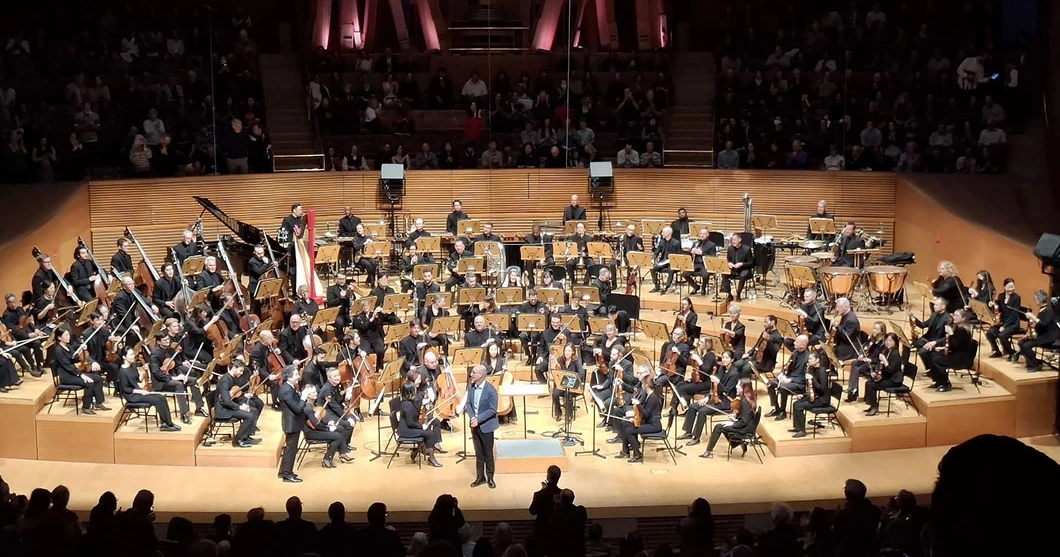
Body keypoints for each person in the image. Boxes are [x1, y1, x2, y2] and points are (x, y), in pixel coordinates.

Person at [677, 350, 740, 445]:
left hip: (725, 402)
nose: (724, 360)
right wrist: (707, 397)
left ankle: (696, 438)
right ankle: (688, 432)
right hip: (714, 397)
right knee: (693, 407)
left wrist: (718, 382)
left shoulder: (734, 374)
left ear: (732, 360)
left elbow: (726, 391)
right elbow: (713, 386)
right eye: (723, 357)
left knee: (702, 411)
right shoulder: (721, 369)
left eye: (727, 358)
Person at [116, 348, 180, 431]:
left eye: (133, 354)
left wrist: (144, 371)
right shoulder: (122, 372)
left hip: (139, 392)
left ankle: (167, 423)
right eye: (131, 355)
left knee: (161, 397)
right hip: (132, 396)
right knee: (157, 400)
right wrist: (141, 391)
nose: (133, 356)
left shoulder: (132, 366)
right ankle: (167, 424)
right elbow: (126, 389)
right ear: (124, 357)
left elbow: (139, 380)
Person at [52, 327, 108, 414]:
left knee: (98, 378)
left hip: (74, 373)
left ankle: (98, 402)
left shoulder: (69, 347)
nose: (68, 337)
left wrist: (83, 351)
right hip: (67, 376)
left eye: (68, 335)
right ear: (59, 338)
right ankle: (86, 407)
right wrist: (81, 375)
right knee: (89, 382)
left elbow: (75, 359)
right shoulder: (58, 350)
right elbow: (68, 366)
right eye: (66, 335)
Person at [700, 382, 757, 458]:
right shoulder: (748, 399)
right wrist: (735, 416)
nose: (737, 387)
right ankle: (739, 442)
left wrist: (732, 423)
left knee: (719, 427)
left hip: (745, 428)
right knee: (723, 426)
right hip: (746, 425)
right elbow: (745, 416)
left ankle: (709, 451)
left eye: (739, 386)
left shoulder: (745, 402)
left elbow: (744, 421)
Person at [615, 372, 662, 462]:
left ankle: (638, 454)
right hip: (648, 422)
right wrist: (634, 418)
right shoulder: (649, 395)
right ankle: (626, 451)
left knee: (629, 431)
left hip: (654, 425)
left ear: (646, 385)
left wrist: (638, 404)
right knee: (625, 423)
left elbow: (646, 414)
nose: (642, 385)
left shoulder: (653, 398)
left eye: (643, 384)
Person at [395, 381, 443, 467]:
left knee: (428, 430)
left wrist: (424, 401)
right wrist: (421, 426)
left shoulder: (408, 402)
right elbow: (410, 423)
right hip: (406, 430)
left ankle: (417, 450)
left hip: (408, 427)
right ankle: (431, 457)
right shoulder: (407, 405)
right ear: (410, 392)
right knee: (429, 434)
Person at [465, 364, 499, 488]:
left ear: (481, 375)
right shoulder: (471, 387)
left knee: (488, 454)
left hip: (486, 426)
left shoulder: (491, 390)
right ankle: (480, 477)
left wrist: (478, 419)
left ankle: (490, 477)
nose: (471, 375)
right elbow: (468, 404)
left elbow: (492, 410)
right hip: (474, 426)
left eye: (474, 372)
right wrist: (472, 418)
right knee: (478, 453)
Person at [215, 361, 261, 448]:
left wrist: (244, 395)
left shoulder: (231, 378)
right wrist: (240, 407)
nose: (242, 373)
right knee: (249, 416)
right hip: (223, 410)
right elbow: (226, 401)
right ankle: (238, 440)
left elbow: (233, 394)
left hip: (228, 406)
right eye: (240, 370)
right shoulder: (225, 381)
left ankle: (245, 436)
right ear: (234, 368)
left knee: (254, 410)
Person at [277, 365, 310, 482]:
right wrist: (303, 398)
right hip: (291, 423)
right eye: (296, 374)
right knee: (291, 449)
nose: (298, 377)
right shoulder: (286, 390)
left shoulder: (289, 387)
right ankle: (287, 474)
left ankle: (283, 471)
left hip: (294, 422)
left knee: (290, 449)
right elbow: (297, 408)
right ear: (289, 376)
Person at [766, 335, 809, 420]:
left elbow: (805, 377)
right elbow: (787, 365)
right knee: (770, 384)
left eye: (797, 342)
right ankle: (776, 408)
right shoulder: (795, 352)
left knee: (783, 387)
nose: (794, 343)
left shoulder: (807, 358)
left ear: (803, 345)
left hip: (799, 383)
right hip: (789, 378)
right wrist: (782, 373)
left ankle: (783, 411)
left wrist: (791, 380)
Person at [790, 350, 829, 438]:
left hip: (822, 399)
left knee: (799, 406)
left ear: (817, 360)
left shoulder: (822, 371)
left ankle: (802, 431)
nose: (808, 361)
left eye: (811, 359)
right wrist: (803, 395)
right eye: (808, 359)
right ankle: (798, 427)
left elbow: (822, 389)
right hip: (814, 396)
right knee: (795, 404)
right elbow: (810, 388)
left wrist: (812, 379)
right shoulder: (811, 369)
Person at [1018, 290, 1059, 371]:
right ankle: (1034, 361)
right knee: (1021, 342)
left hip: (1049, 336)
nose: (1035, 300)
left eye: (1035, 298)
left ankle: (1034, 365)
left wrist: (1033, 317)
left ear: (1040, 299)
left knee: (1026, 346)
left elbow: (1044, 324)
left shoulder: (1048, 310)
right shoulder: (1042, 309)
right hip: (1043, 334)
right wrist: (1029, 334)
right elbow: (1039, 326)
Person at [863, 333, 903, 415]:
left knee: (872, 385)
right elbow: (880, 365)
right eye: (887, 341)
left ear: (895, 342)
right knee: (868, 382)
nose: (888, 343)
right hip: (887, 376)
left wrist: (884, 360)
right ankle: (872, 405)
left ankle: (874, 407)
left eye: (891, 341)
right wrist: (875, 373)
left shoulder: (895, 354)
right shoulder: (886, 351)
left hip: (894, 380)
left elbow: (891, 370)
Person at [986, 278, 1021, 359]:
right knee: (989, 333)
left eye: (1012, 287)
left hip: (1012, 323)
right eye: (1009, 287)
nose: (1011, 289)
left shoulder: (1016, 298)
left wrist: (1004, 326)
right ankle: (996, 350)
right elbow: (999, 307)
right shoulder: (1001, 296)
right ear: (1004, 287)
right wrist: (992, 304)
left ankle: (1011, 352)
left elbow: (1014, 314)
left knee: (1002, 335)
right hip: (1002, 322)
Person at [550, 343, 584, 421]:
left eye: (569, 351)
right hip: (562, 384)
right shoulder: (560, 359)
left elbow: (581, 374)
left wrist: (573, 379)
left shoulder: (576, 361)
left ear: (573, 352)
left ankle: (569, 415)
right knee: (555, 394)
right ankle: (558, 413)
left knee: (568, 394)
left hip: (572, 384)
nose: (567, 353)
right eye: (565, 350)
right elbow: (556, 372)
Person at [529, 465, 562, 541]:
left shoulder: (539, 494)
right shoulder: (561, 494)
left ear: (548, 476)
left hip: (541, 532)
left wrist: (542, 491)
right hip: (557, 532)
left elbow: (532, 511)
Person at [650, 226, 681, 293]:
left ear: (669, 233)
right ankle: (656, 286)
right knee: (652, 269)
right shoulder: (661, 242)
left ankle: (667, 287)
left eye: (663, 232)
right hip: (663, 262)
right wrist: (653, 258)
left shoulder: (676, 243)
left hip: (672, 263)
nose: (662, 234)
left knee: (671, 270)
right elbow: (657, 252)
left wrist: (672, 260)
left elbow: (679, 255)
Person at [722, 234, 754, 301]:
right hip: (734, 269)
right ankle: (729, 294)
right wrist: (729, 263)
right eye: (732, 240)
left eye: (735, 240)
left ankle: (738, 294)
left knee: (743, 275)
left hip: (744, 269)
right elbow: (728, 259)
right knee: (724, 274)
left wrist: (742, 264)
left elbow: (751, 263)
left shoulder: (747, 249)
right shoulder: (730, 248)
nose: (733, 241)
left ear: (739, 240)